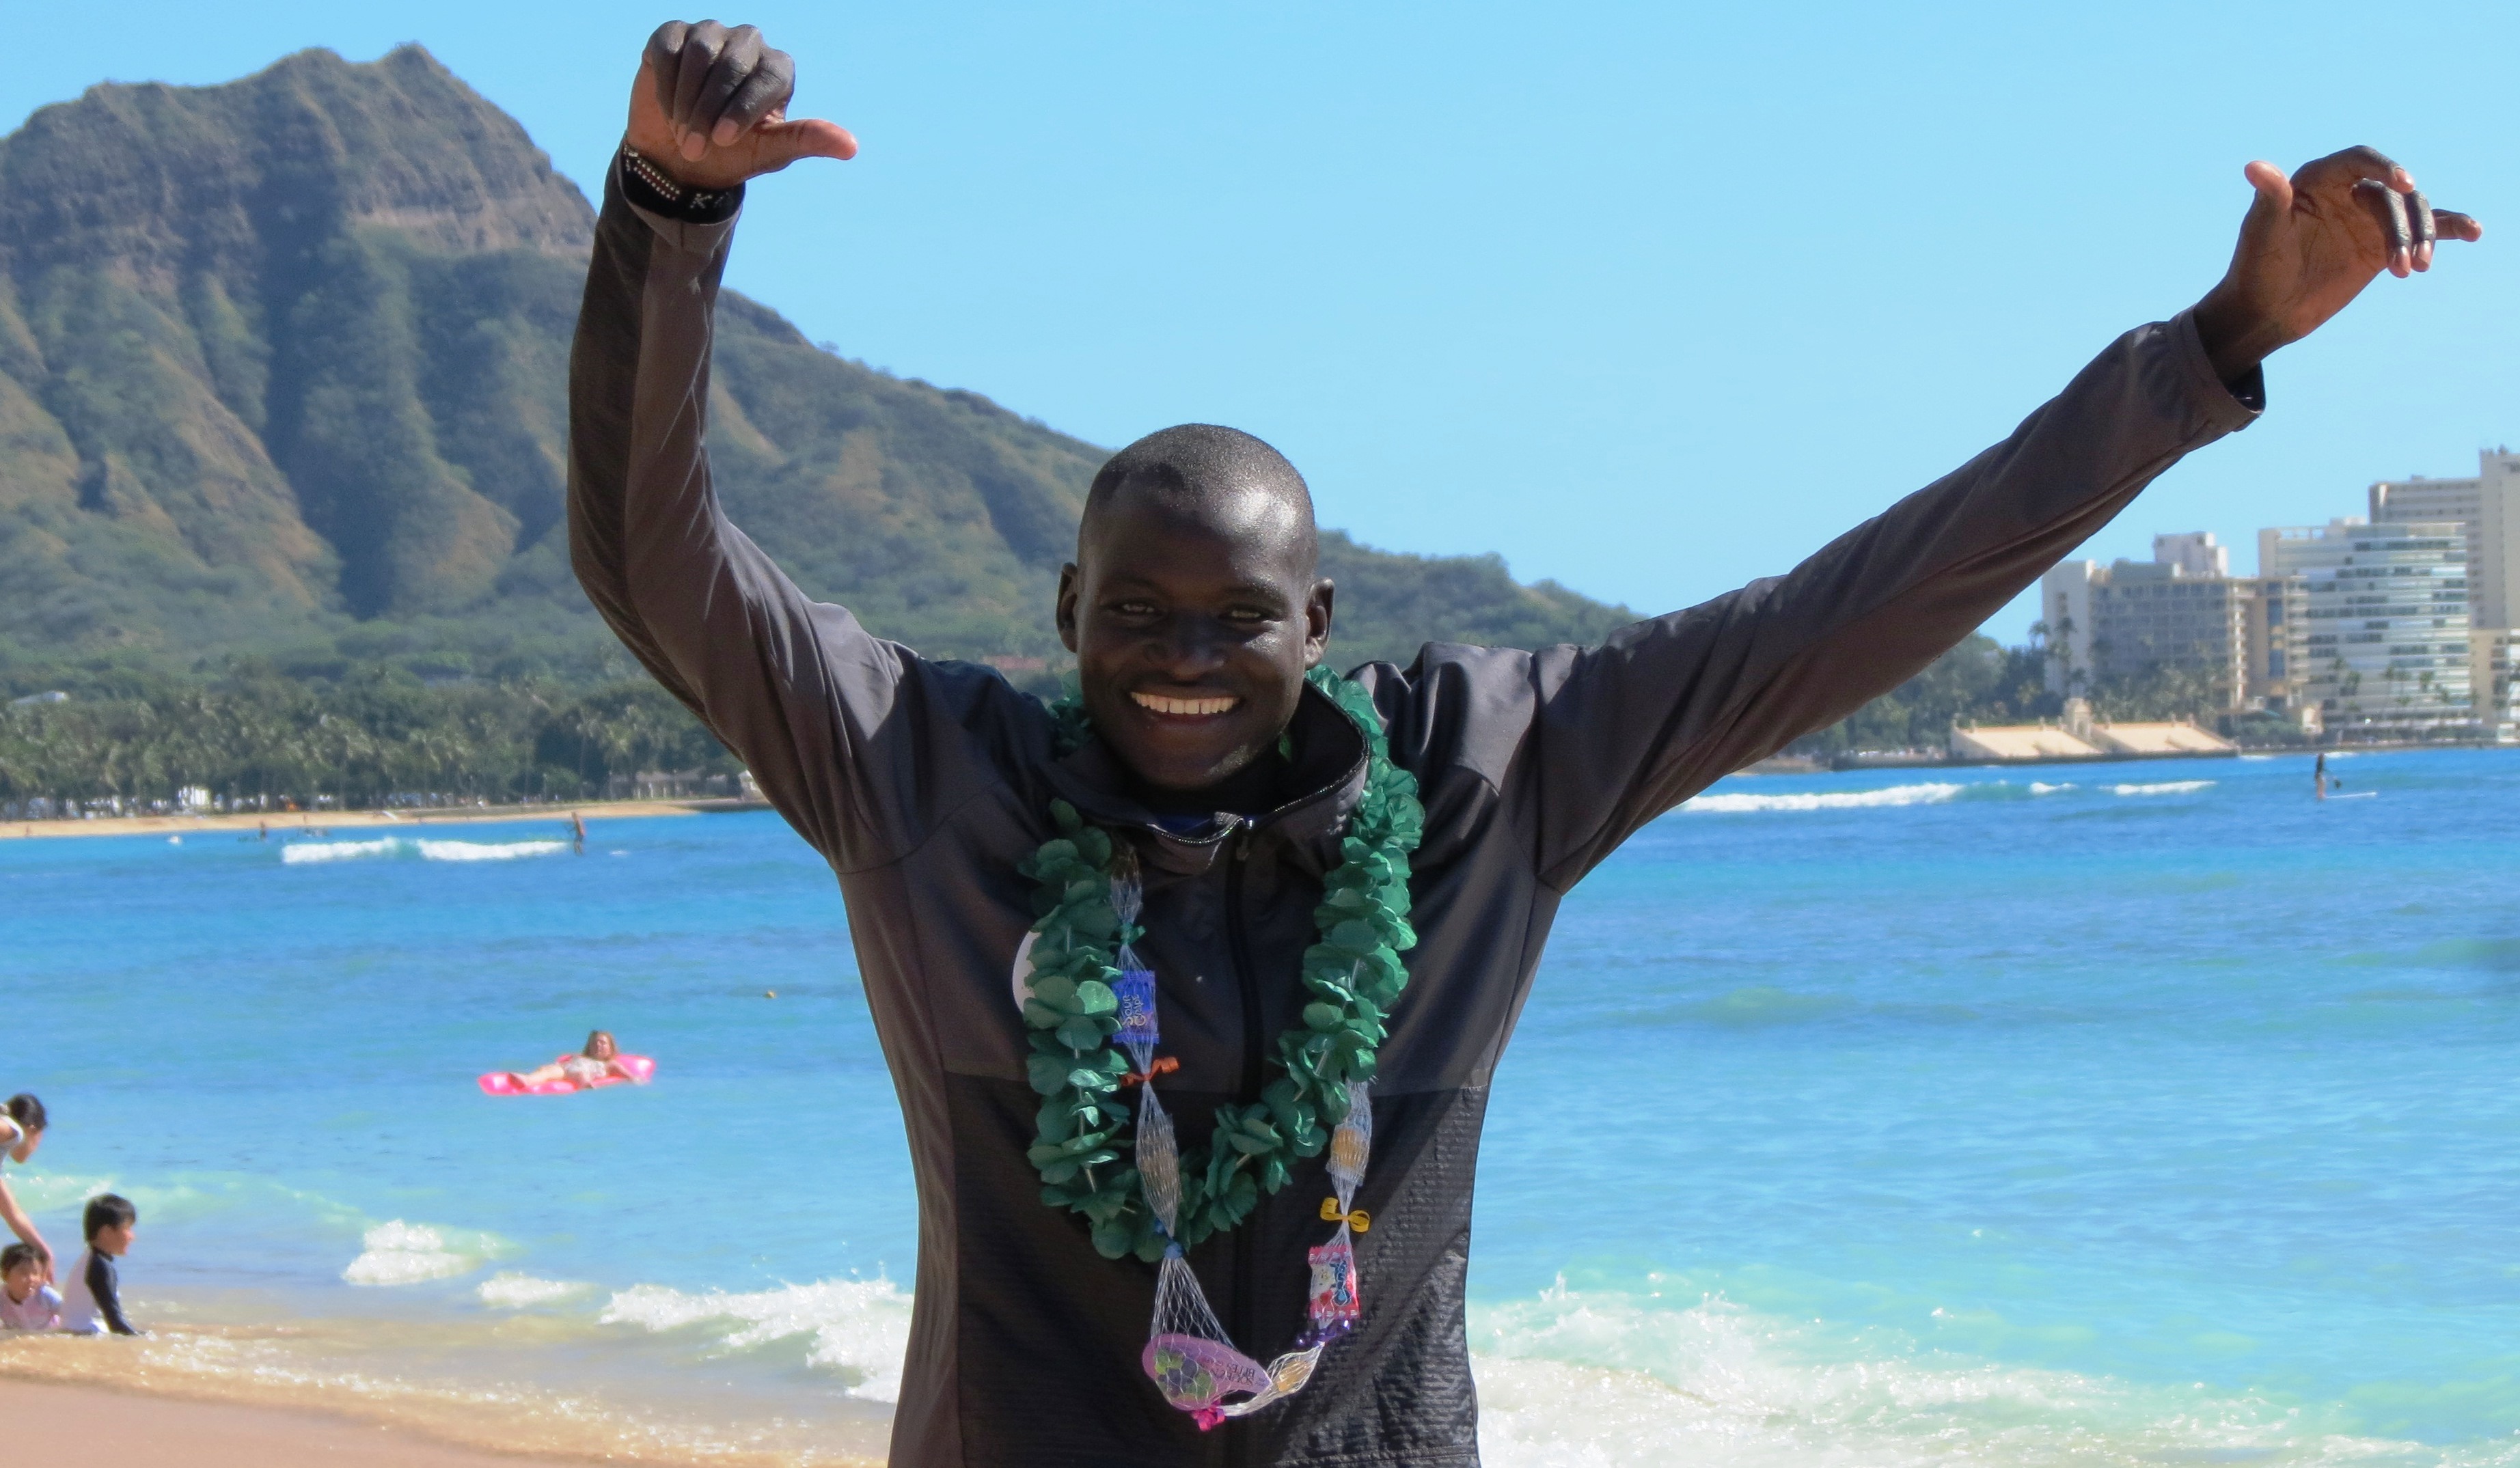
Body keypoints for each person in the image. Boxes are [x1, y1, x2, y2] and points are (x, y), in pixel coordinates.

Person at [569, 20, 2478, 1465]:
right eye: (1136, 613)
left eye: (1237, 615)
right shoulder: (924, 769)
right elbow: (656, 557)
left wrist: (2222, 341)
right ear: (1067, 619)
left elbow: (1862, 601)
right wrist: (673, 210)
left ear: (1322, 624)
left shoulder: (1493, 771)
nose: (1182, 657)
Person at [59, 1193, 139, 1337]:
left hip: (72, 1332)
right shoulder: (101, 1267)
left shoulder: (89, 1259)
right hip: (85, 1335)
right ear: (107, 1233)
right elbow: (114, 1320)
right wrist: (141, 1339)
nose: (133, 1237)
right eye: (128, 1229)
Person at [0, 1093, 51, 1282]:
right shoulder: (15, 1131)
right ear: (32, 1129)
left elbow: (13, 1214)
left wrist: (45, 1252)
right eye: (40, 1138)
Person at [508, 1030, 633, 1090]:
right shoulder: (580, 1056)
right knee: (546, 1070)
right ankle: (527, 1080)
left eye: (602, 1043)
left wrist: (635, 1079)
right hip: (566, 1069)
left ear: (611, 1048)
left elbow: (625, 1074)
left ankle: (586, 1086)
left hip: (585, 1071)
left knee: (581, 1074)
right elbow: (566, 1062)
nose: (598, 1046)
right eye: (594, 1043)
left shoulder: (609, 1063)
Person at [0, 1241, 59, 1330]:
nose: (31, 1278)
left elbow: (71, 1315)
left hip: (49, 1338)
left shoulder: (45, 1295)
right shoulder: (2, 1300)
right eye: (23, 1273)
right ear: (5, 1275)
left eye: (35, 1273)